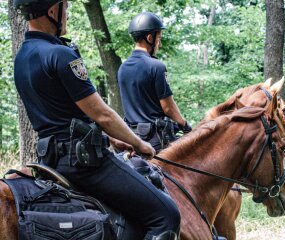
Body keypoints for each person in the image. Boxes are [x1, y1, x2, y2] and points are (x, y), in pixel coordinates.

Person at [13, 1, 180, 239]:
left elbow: (61, 114)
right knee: (166, 214)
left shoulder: (22, 57)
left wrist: (111, 138)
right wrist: (140, 144)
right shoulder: (60, 54)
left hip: (50, 161)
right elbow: (102, 113)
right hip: (85, 165)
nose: (67, 15)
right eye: (66, 9)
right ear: (52, 11)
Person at [117, 12, 192, 152]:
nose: (160, 44)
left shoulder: (122, 68)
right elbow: (168, 108)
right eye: (159, 38)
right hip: (155, 141)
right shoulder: (156, 66)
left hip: (131, 139)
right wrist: (185, 125)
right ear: (150, 38)